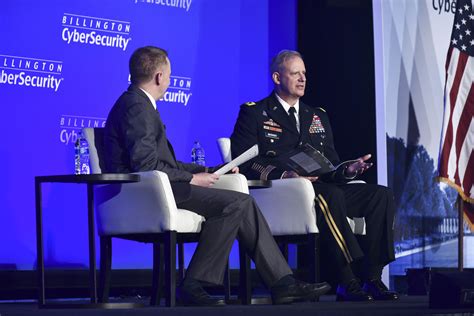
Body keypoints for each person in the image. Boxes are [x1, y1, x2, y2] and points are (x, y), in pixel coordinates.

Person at [103, 46, 331, 306]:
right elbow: (146, 166)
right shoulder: (137, 106)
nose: (169, 81)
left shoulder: (139, 103)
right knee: (237, 203)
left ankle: (282, 284)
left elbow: (164, 162)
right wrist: (191, 179)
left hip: (162, 187)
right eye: (168, 75)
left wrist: (208, 170)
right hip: (145, 194)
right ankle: (196, 283)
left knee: (241, 202)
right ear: (158, 76)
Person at [230, 50, 398, 301]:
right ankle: (346, 280)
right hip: (283, 193)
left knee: (380, 195)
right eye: (295, 73)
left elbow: (330, 165)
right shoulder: (254, 113)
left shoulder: (317, 115)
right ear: (277, 77)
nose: (302, 78)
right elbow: (244, 162)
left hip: (322, 187)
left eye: (304, 73)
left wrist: (347, 170)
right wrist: (284, 174)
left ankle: (373, 277)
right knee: (329, 197)